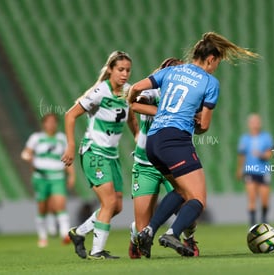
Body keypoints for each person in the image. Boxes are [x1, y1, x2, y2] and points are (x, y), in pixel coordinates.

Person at [128, 31, 259, 257]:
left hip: (153, 142)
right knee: (198, 198)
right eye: (217, 63)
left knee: (181, 190)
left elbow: (136, 89)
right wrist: (194, 121)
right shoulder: (210, 82)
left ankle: (148, 230)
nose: (215, 67)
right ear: (210, 59)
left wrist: (133, 102)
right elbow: (204, 127)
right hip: (175, 141)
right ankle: (172, 233)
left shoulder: (170, 71)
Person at [61, 50, 138, 260]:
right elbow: (70, 115)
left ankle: (79, 233)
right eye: (120, 69)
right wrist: (70, 145)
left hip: (111, 155)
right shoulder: (100, 91)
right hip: (94, 151)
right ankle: (97, 251)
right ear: (110, 70)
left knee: (117, 205)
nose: (124, 74)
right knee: (109, 202)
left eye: (128, 70)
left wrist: (138, 135)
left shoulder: (128, 91)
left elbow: (131, 117)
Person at [128, 57, 200, 259]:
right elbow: (134, 105)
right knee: (142, 226)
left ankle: (189, 238)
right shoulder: (153, 92)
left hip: (175, 161)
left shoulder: (190, 95)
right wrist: (167, 112)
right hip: (146, 164)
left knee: (191, 205)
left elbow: (201, 122)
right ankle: (135, 238)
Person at [21, 113, 75, 247]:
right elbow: (26, 153)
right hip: (41, 177)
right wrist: (27, 157)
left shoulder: (62, 138)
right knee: (42, 208)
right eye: (48, 122)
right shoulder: (36, 138)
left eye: (53, 122)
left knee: (60, 204)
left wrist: (72, 175)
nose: (51, 124)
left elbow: (68, 158)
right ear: (43, 124)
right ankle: (42, 236)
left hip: (57, 176)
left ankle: (65, 235)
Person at [236, 113, 274, 226]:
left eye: (257, 122)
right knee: (251, 197)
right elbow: (241, 156)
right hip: (250, 171)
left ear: (260, 123)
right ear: (249, 124)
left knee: (264, 200)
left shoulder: (266, 137)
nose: (255, 124)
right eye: (253, 122)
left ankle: (264, 220)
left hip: (263, 171)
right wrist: (239, 169)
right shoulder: (244, 139)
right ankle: (252, 224)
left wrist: (261, 155)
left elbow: (269, 154)